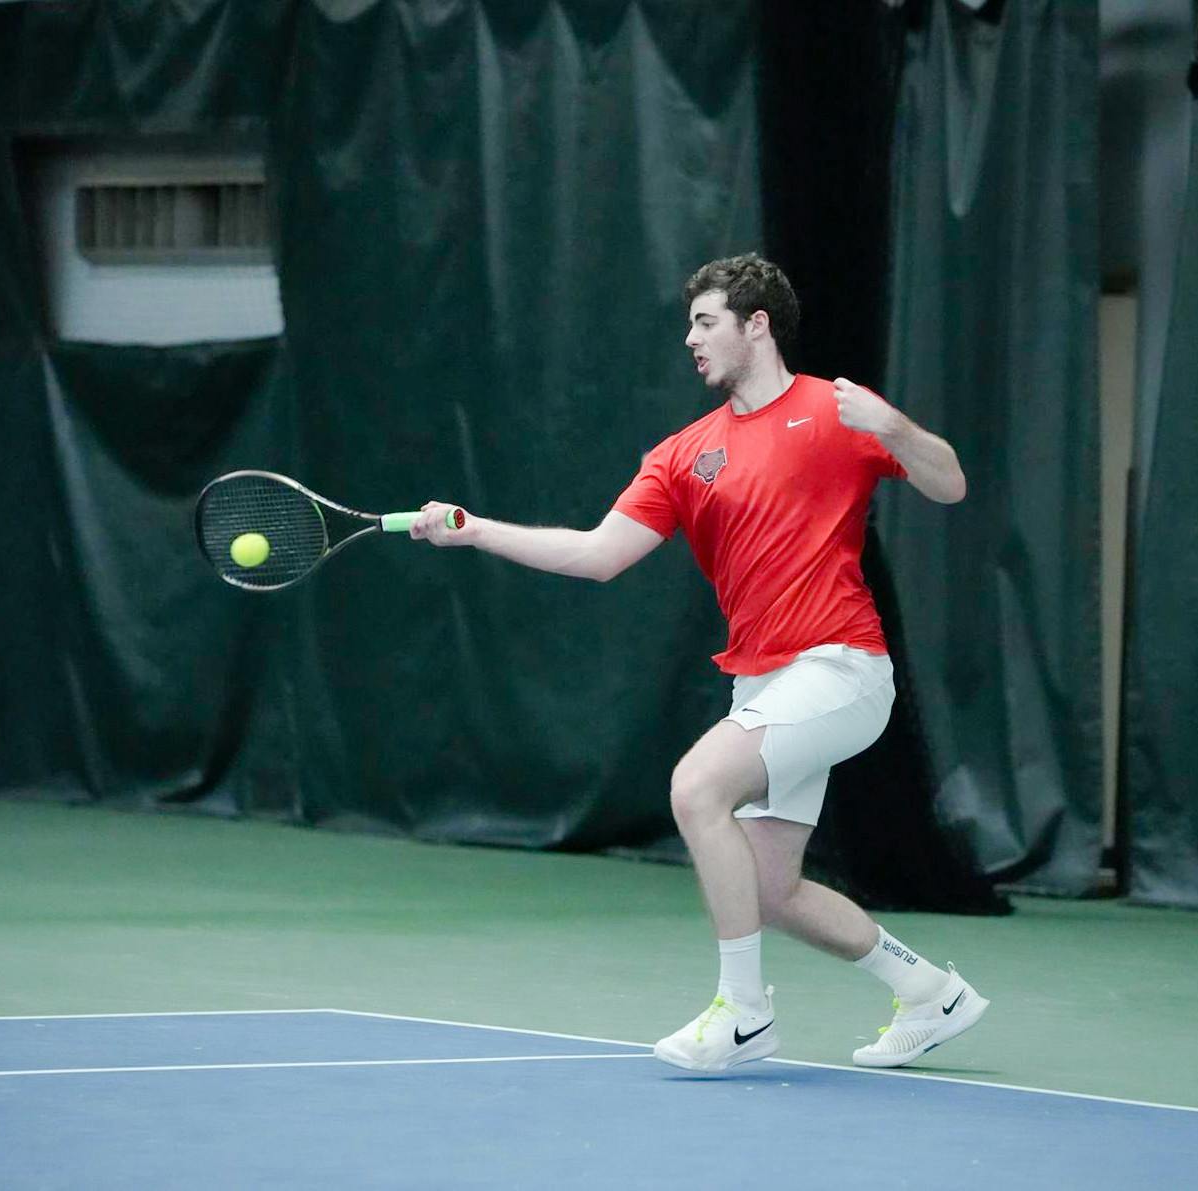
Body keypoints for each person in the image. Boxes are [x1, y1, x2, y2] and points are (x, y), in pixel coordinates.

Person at [410, 253, 987, 1073]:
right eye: (690, 323)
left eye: (706, 321)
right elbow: (599, 554)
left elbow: (951, 483)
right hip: (763, 681)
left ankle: (743, 1013)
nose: (690, 338)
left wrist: (894, 427)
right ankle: (929, 991)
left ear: (758, 325)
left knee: (696, 786)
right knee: (770, 890)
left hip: (840, 666)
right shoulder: (684, 453)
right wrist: (476, 531)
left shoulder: (834, 410)